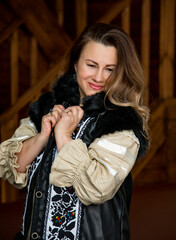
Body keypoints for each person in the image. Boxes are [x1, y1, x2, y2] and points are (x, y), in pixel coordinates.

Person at [0, 23, 149, 240]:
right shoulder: (45, 109)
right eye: (91, 65)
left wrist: (63, 136)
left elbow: (95, 189)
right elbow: (10, 167)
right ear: (76, 63)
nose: (99, 77)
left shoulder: (122, 125)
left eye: (110, 69)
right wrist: (42, 137)